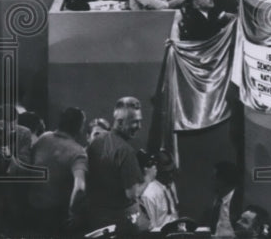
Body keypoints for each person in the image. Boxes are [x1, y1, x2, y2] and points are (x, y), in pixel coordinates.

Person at [27, 106, 88, 236]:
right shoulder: (78, 152)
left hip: (32, 210)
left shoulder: (44, 138)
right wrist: (73, 213)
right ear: (80, 127)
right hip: (56, 216)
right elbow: (80, 188)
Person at [86, 97, 144, 231]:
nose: (139, 127)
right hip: (119, 225)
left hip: (95, 221)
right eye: (135, 122)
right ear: (120, 122)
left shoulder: (96, 142)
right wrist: (148, 178)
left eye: (140, 122)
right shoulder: (126, 151)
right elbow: (132, 194)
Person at [139, 148, 180, 232]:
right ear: (158, 171)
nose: (171, 175)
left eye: (172, 171)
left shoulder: (171, 185)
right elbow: (152, 228)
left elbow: (174, 212)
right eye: (166, 172)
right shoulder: (149, 193)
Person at [206, 161, 241, 237]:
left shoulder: (240, 201)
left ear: (223, 180)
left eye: (214, 177)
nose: (211, 181)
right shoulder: (217, 202)